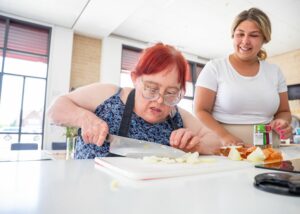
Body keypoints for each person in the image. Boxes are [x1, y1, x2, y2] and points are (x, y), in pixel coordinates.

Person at [47, 43, 221, 159]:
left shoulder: (177, 116)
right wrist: (83, 117)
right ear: (135, 79)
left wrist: (196, 145)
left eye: (170, 93)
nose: (160, 100)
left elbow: (215, 142)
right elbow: (54, 109)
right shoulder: (108, 95)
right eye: (151, 89)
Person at [194, 8, 292, 147]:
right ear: (233, 35)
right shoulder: (215, 67)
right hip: (225, 147)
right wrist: (224, 136)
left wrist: (282, 122)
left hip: (269, 149)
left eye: (254, 35)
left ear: (264, 38)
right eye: (240, 34)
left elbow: (284, 111)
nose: (245, 41)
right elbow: (200, 110)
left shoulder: (274, 71)